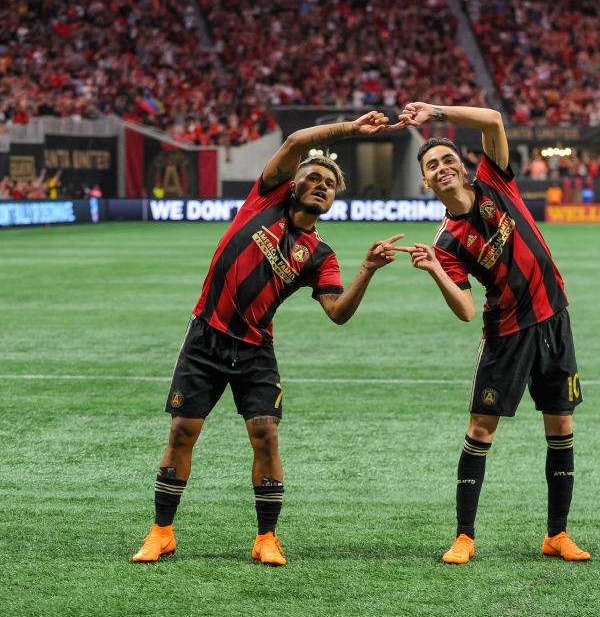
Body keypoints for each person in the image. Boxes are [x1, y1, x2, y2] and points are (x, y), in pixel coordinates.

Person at [132, 111, 406, 565]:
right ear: (293, 184)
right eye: (313, 178)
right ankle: (162, 531)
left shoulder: (321, 255)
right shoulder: (264, 201)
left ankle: (266, 539)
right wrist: (353, 131)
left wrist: (367, 270)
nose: (321, 185)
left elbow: (337, 313)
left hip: (256, 349)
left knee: (266, 437)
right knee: (182, 431)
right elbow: (298, 138)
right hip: (206, 336)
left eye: (330, 184)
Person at [395, 101, 590, 564]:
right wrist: (434, 271)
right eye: (431, 166)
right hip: (507, 333)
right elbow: (464, 310)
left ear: (462, 166)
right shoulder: (447, 244)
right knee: (481, 430)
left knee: (561, 427)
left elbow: (494, 120)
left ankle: (556, 535)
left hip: (554, 319)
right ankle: (465, 536)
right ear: (425, 182)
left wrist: (434, 111)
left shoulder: (495, 182)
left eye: (447, 160)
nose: (442, 168)